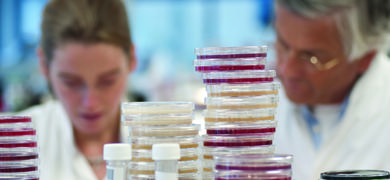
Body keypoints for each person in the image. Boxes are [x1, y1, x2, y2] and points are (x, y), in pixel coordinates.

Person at [18, 0, 136, 179]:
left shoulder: (174, 144)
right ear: (43, 64)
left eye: (107, 81)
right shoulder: (14, 143)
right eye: (70, 83)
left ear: (132, 59)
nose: (90, 103)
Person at [272, 0, 390, 179]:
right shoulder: (240, 106)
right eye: (283, 44)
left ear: (366, 57)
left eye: (311, 57)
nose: (286, 70)